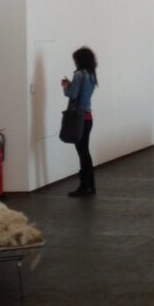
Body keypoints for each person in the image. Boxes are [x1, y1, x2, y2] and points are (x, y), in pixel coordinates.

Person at [61, 47, 97, 197]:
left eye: (75, 59)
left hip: (78, 118)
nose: (74, 62)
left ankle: (85, 186)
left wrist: (66, 86)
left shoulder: (79, 74)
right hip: (88, 117)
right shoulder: (91, 75)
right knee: (85, 152)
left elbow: (73, 94)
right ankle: (90, 185)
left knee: (82, 153)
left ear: (79, 60)